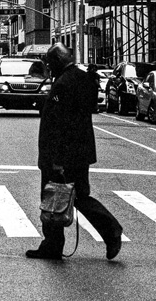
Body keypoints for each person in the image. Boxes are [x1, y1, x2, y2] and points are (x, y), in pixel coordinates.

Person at [26, 42, 123, 263]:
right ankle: (109, 232)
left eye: (50, 63)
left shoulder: (64, 84)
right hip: (79, 153)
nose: (48, 68)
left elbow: (61, 125)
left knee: (52, 198)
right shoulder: (80, 78)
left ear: (56, 63)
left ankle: (54, 245)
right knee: (79, 196)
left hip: (62, 155)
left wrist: (57, 160)